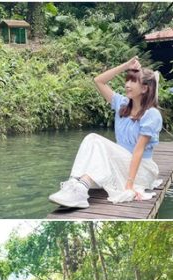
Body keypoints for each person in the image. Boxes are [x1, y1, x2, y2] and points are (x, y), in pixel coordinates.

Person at [49, 56, 163, 208]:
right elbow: (98, 81)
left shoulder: (151, 114)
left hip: (141, 170)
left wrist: (129, 185)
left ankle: (79, 189)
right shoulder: (122, 104)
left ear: (144, 88)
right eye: (127, 80)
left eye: (133, 81)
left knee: (95, 139)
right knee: (91, 140)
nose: (127, 85)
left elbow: (138, 151)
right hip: (119, 162)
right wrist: (126, 65)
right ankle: (75, 184)